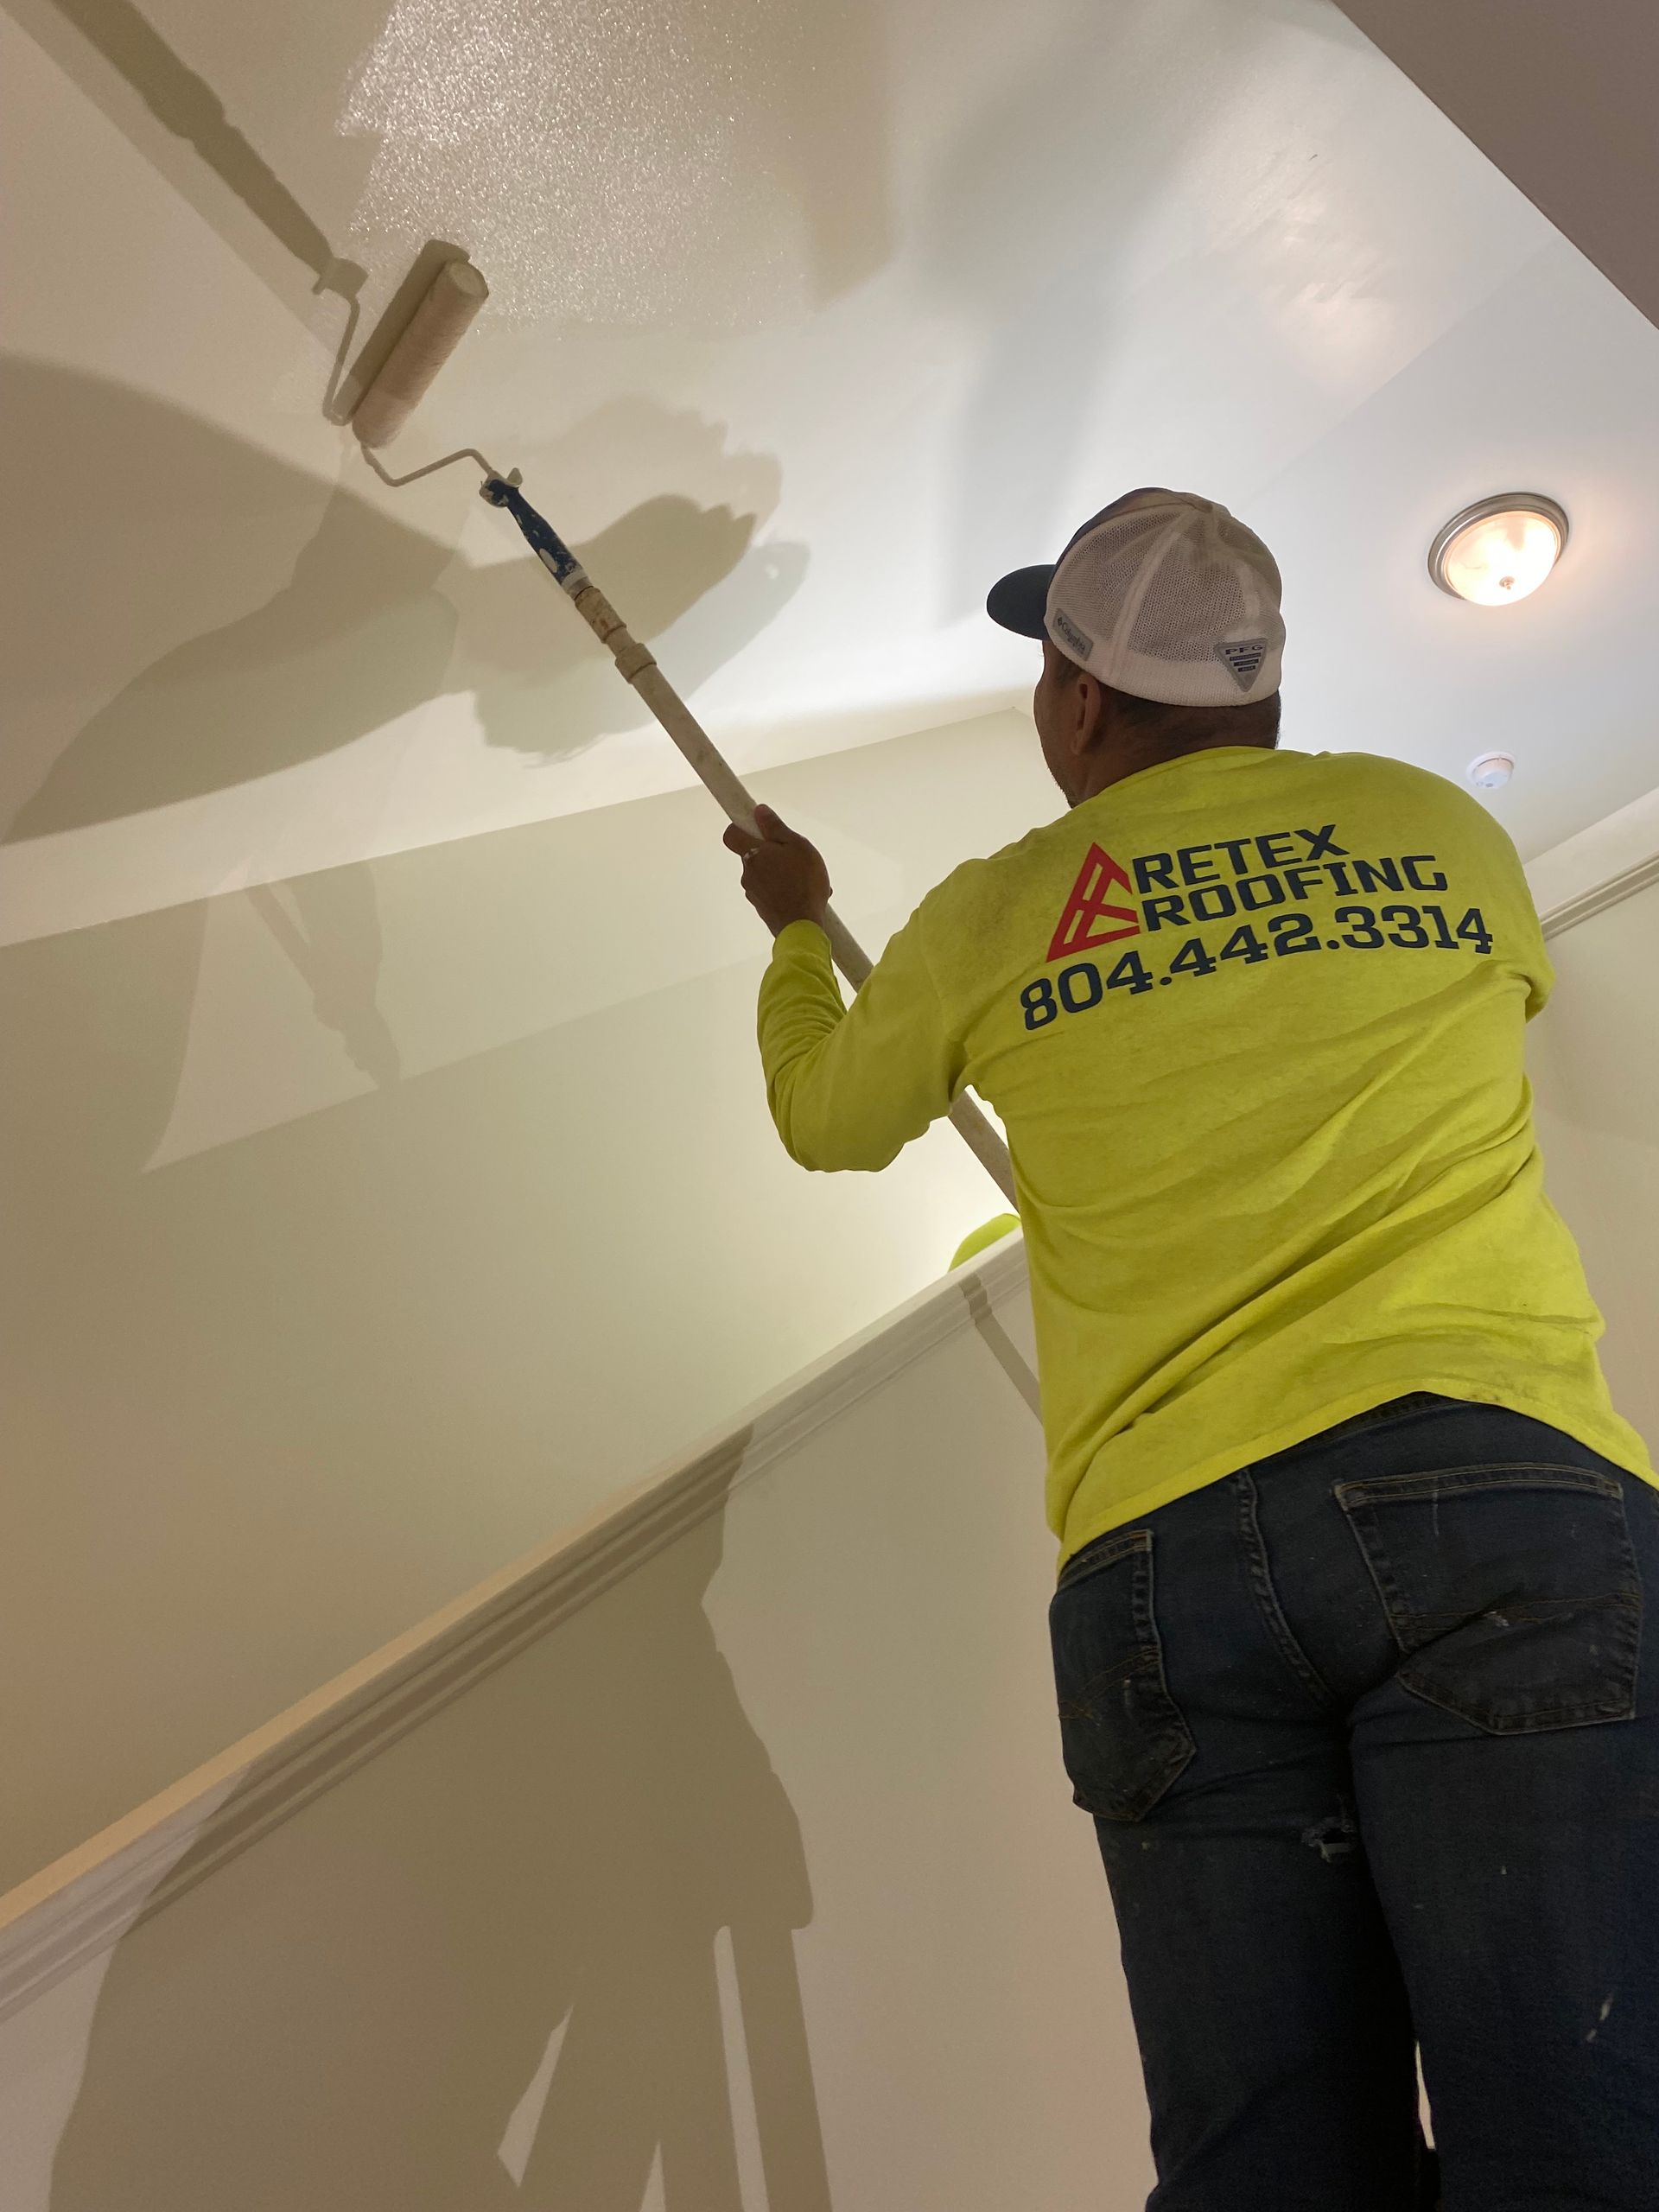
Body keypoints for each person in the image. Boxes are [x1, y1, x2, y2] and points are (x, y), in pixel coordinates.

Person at [723, 488, 1659, 2210]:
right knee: (1582, 2136)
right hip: (1500, 1495)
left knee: (1274, 2176)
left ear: (1077, 702)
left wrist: (797, 921)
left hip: (1175, 1554)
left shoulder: (999, 909)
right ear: (1262, 690)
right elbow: (1490, 1005)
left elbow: (826, 1117)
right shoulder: (1440, 830)